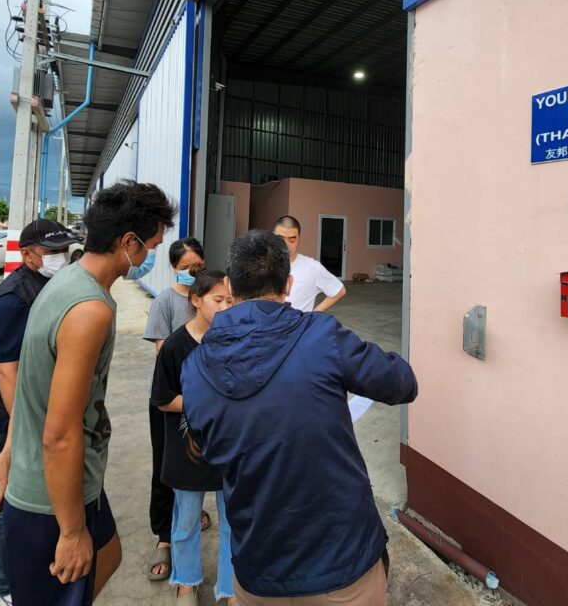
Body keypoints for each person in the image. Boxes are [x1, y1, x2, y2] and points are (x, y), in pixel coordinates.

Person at [182, 230, 418, 605]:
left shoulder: (195, 366)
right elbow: (401, 384)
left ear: (230, 286)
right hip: (343, 564)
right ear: (288, 285)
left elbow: (205, 447)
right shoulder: (322, 336)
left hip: (259, 569)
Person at [0, 181, 177, 606]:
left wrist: (10, 448)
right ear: (128, 242)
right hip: (51, 495)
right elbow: (60, 434)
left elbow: (34, 384)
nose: (150, 257)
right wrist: (70, 531)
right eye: (152, 246)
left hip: (69, 477)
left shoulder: (69, 280)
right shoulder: (89, 310)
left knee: (109, 554)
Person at [0, 219, 80, 606]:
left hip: (45, 405)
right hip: (15, 413)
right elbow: (7, 372)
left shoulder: (53, 284)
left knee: (46, 490)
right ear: (27, 255)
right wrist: (24, 426)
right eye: (52, 252)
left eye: (64, 251)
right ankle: (5, 584)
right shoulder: (11, 299)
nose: (60, 258)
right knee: (16, 494)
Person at [150, 270, 234, 605]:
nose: (225, 308)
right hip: (188, 453)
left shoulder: (235, 341)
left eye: (230, 301)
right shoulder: (174, 346)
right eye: (218, 300)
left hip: (229, 451)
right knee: (185, 522)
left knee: (233, 523)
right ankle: (186, 581)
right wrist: (205, 400)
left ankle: (230, 588)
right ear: (196, 301)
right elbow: (163, 399)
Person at [142, 237, 208, 581]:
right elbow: (163, 352)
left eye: (198, 267)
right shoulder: (166, 301)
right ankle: (164, 537)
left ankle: (193, 512)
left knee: (199, 459)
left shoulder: (209, 299)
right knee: (165, 464)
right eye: (186, 268)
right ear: (173, 268)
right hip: (171, 397)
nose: (192, 272)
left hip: (204, 400)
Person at [272, 216, 346, 312]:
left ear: (299, 239)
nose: (286, 245)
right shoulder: (261, 264)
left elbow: (339, 291)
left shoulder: (312, 267)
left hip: (298, 321)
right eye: (280, 239)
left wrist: (312, 315)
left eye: (292, 240)